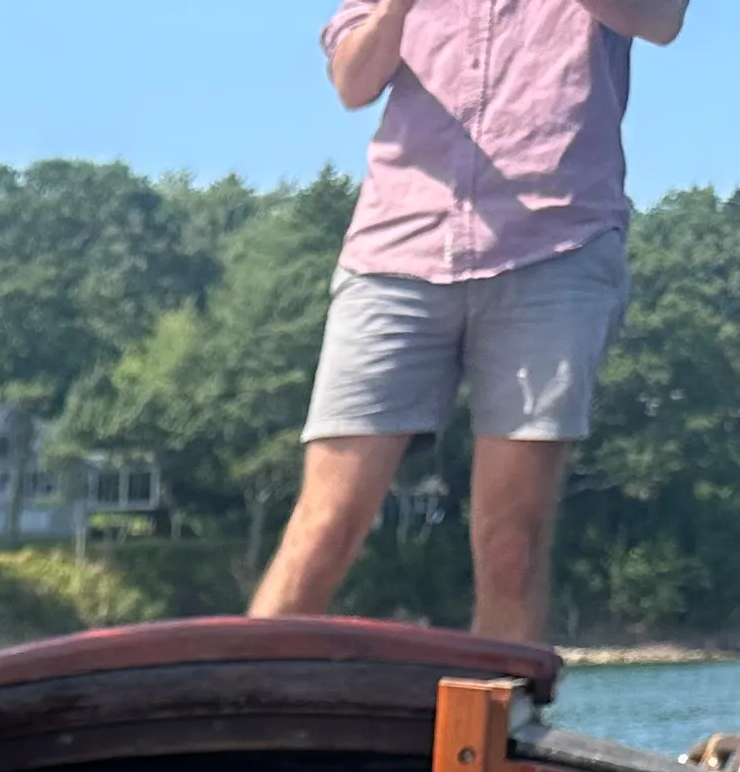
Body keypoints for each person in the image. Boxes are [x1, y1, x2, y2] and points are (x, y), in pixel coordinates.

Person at [245, 0, 687, 649]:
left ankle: (492, 730)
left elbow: (660, 19)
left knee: (512, 540)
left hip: (553, 245)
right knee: (323, 527)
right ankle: (232, 714)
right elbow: (352, 83)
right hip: (395, 250)